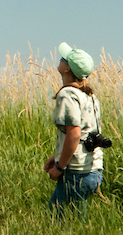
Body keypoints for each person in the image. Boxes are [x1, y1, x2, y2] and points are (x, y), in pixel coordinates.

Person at [44, 42, 104, 216]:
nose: (60, 60)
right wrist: (57, 156)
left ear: (67, 69)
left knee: (58, 222)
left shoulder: (67, 94)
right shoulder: (89, 95)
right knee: (72, 221)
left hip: (75, 174)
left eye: (63, 59)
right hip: (93, 169)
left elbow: (74, 134)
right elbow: (85, 133)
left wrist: (60, 167)